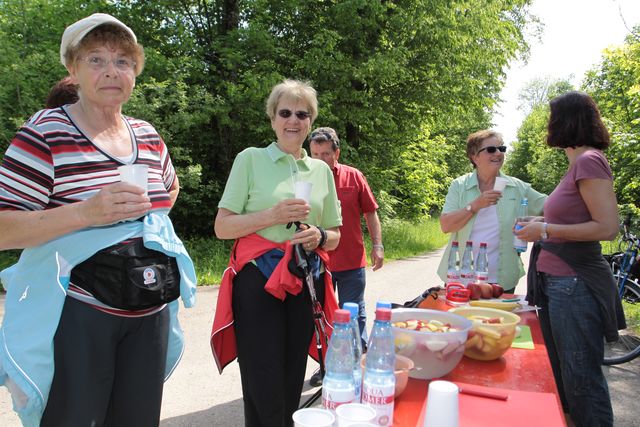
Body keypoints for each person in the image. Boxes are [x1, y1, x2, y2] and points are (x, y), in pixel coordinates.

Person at [0, 13, 196, 427]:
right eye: (96, 59)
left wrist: (143, 231)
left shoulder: (147, 134)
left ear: (135, 73)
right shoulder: (46, 132)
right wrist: (86, 213)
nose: (111, 71)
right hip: (80, 315)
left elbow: (170, 190)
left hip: (149, 311)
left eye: (123, 61)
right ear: (72, 70)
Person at [210, 79, 342, 426]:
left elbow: (335, 236)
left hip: (303, 278)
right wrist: (272, 216)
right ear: (272, 118)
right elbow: (222, 227)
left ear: (311, 122)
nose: (293, 120)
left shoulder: (321, 170)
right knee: (262, 378)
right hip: (258, 280)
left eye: (302, 114)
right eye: (285, 113)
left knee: (291, 376)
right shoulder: (250, 159)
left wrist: (319, 235)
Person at [517, 91, 624, 427]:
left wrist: (545, 229)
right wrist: (540, 223)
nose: (549, 126)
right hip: (557, 284)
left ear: (565, 121)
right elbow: (574, 219)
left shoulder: (589, 161)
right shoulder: (577, 164)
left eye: (552, 118)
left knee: (581, 379)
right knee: (564, 374)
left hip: (574, 285)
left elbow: (607, 227)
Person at [308, 127, 383, 385]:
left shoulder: (354, 176)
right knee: (322, 316)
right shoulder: (303, 179)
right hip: (318, 263)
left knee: (353, 313)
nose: (320, 159)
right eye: (315, 154)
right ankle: (326, 364)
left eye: (325, 154)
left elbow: (370, 212)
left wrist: (378, 245)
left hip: (351, 260)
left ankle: (355, 362)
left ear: (336, 153)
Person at [437, 129, 546, 293]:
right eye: (491, 149)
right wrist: (475, 205)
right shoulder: (459, 186)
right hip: (460, 279)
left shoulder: (517, 187)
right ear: (474, 157)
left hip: (502, 281)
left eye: (501, 149)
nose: (498, 153)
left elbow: (553, 206)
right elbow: (446, 225)